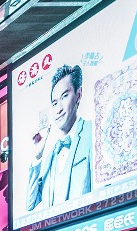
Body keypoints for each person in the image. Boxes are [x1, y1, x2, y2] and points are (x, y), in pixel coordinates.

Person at [26, 64, 92, 213]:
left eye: (65, 96)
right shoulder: (50, 156)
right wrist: (37, 156)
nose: (59, 108)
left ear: (78, 95)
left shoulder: (92, 132)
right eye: (55, 103)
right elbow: (30, 203)